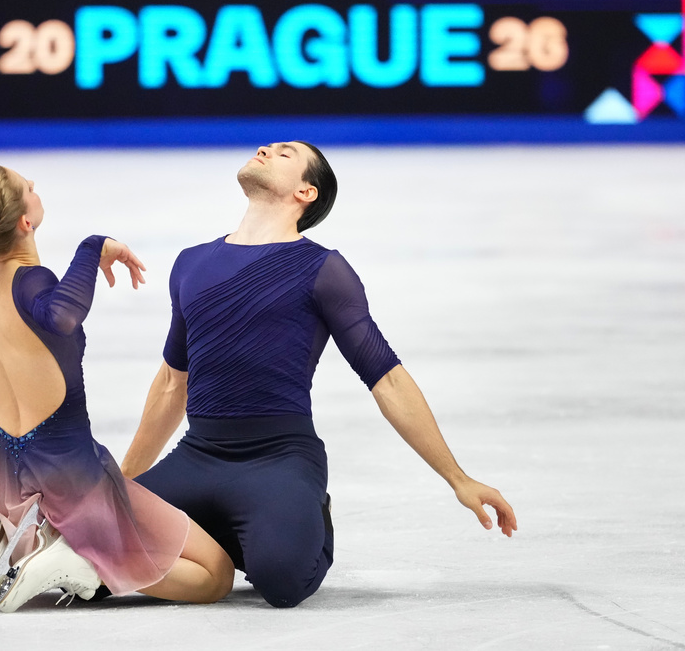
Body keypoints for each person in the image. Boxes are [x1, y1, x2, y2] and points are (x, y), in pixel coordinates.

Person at [121, 141, 518, 609]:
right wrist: (121, 486)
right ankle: (222, 539)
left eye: (285, 153)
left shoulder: (322, 270)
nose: (267, 149)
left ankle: (302, 517)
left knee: (282, 584)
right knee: (88, 540)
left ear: (306, 192)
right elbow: (172, 383)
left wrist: (458, 478)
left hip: (277, 460)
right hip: (198, 456)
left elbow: (387, 379)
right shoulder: (191, 262)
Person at [0, 164, 233, 612]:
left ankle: (13, 543)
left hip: (5, 492)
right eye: (29, 187)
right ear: (24, 221)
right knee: (216, 574)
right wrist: (93, 246)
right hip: (74, 483)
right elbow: (62, 316)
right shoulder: (32, 282)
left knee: (182, 562)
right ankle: (80, 561)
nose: (36, 187)